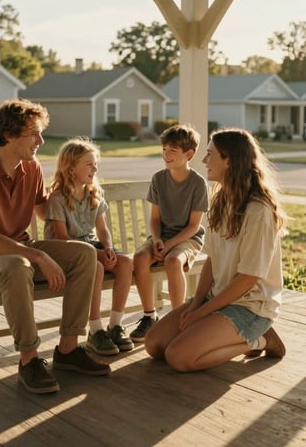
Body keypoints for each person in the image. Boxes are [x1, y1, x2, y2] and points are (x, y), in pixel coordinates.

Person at [0, 99, 110, 395]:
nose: (41, 141)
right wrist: (39, 255)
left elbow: (43, 210)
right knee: (17, 264)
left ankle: (68, 350)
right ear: (9, 135)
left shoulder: (31, 167)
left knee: (84, 253)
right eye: (34, 134)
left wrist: (76, 190)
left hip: (19, 247)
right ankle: (29, 360)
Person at [145, 127, 287, 372]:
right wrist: (196, 304)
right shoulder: (221, 200)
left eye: (210, 154)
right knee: (154, 345)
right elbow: (212, 260)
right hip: (218, 297)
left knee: (179, 357)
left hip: (251, 305)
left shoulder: (258, 212)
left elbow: (248, 278)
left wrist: (201, 315)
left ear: (229, 161)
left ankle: (261, 339)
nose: (203, 160)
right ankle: (226, 330)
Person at [44, 137, 134, 356]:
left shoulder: (94, 192)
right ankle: (95, 330)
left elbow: (102, 229)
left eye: (95, 164)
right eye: (89, 164)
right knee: (98, 267)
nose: (95, 168)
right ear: (71, 168)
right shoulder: (57, 199)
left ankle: (115, 326)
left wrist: (108, 248)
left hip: (91, 245)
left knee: (125, 262)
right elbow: (63, 238)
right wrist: (98, 254)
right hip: (67, 251)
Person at [130, 124, 209, 343]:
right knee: (140, 257)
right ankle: (149, 316)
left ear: (189, 154)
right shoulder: (158, 179)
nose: (166, 155)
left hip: (188, 239)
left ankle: (177, 320)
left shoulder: (198, 184)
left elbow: (194, 226)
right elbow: (155, 219)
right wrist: (157, 240)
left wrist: (170, 245)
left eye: (172, 151)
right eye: (164, 149)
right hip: (161, 237)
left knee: (173, 261)